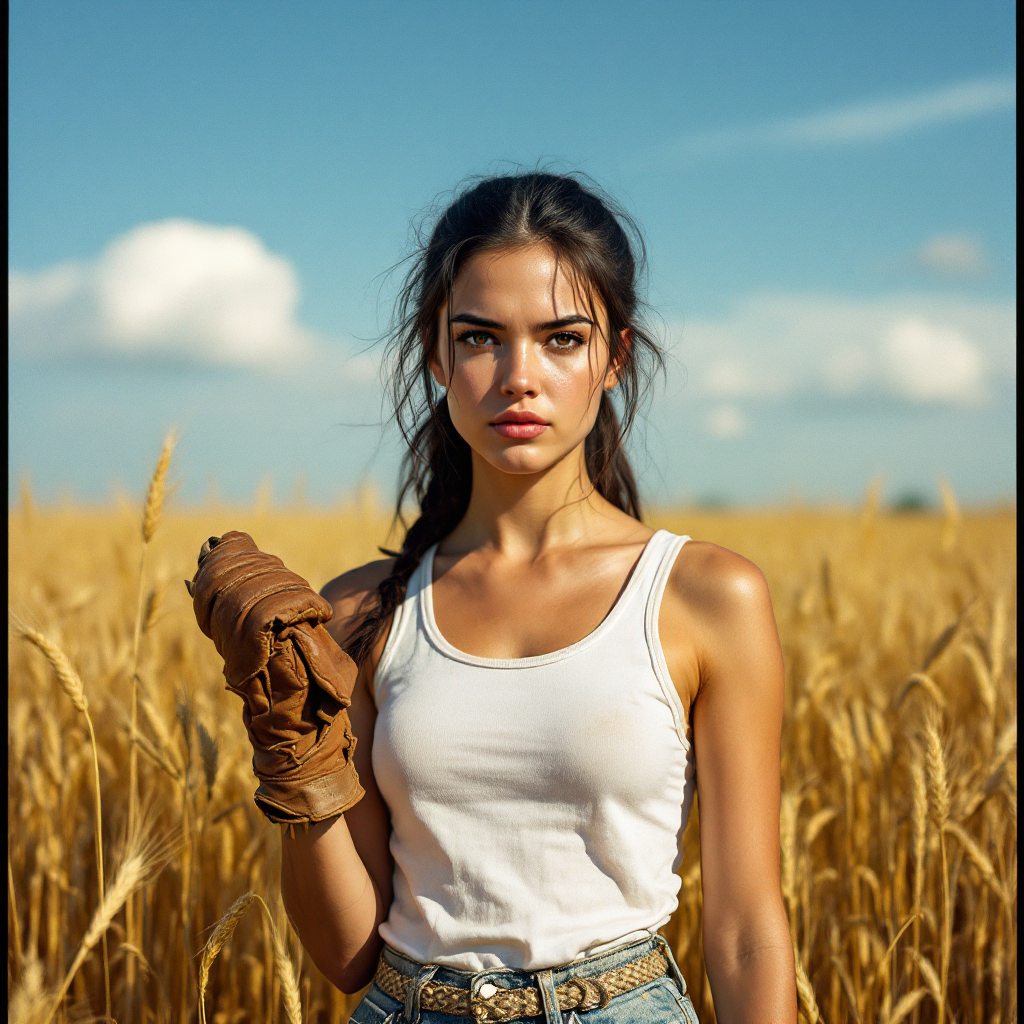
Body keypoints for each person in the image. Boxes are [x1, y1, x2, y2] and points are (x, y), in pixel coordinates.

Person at [191, 172, 797, 1024]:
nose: (519, 376)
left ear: (614, 357)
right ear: (436, 355)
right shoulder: (364, 613)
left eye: (561, 339)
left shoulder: (702, 596)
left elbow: (744, 929)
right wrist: (296, 755)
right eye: (480, 338)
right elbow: (344, 955)